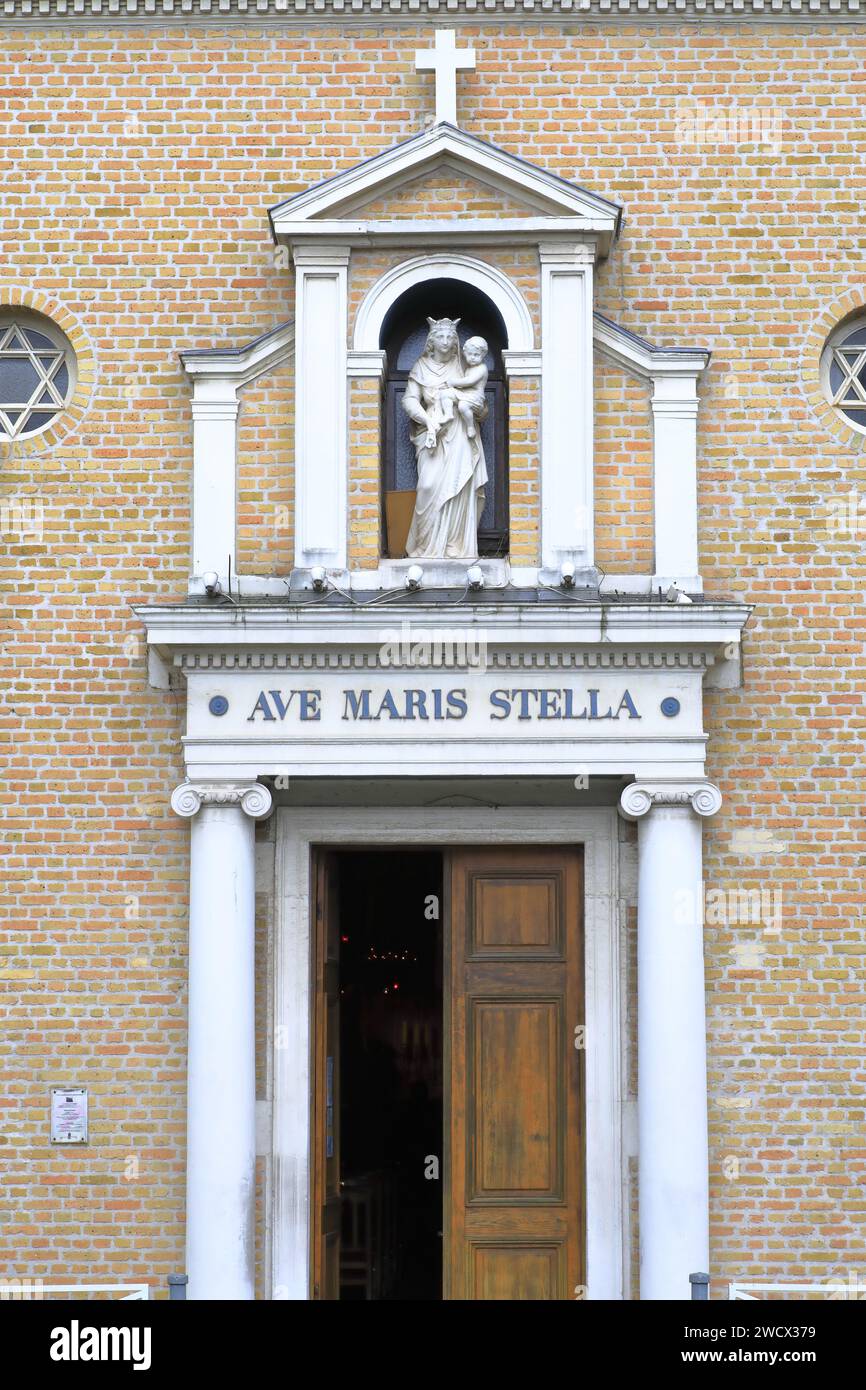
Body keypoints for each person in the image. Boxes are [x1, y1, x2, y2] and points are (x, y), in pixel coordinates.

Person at [402, 318, 489, 560]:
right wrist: (427, 420)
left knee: (459, 488)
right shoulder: (420, 366)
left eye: (450, 337)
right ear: (431, 340)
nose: (446, 341)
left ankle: (455, 544)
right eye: (440, 337)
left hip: (460, 431)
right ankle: (425, 547)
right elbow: (409, 399)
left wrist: (476, 409)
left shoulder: (465, 367)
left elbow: (480, 404)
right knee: (427, 486)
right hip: (432, 432)